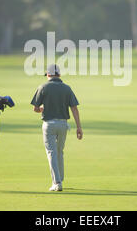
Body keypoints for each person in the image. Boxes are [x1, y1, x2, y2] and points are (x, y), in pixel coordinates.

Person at [30, 64, 83, 192]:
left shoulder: (43, 87)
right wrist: (79, 127)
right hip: (63, 124)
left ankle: (57, 182)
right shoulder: (67, 88)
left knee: (51, 152)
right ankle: (60, 178)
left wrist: (43, 108)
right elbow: (74, 108)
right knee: (59, 151)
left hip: (49, 125)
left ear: (48, 75)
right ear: (59, 75)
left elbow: (36, 108)